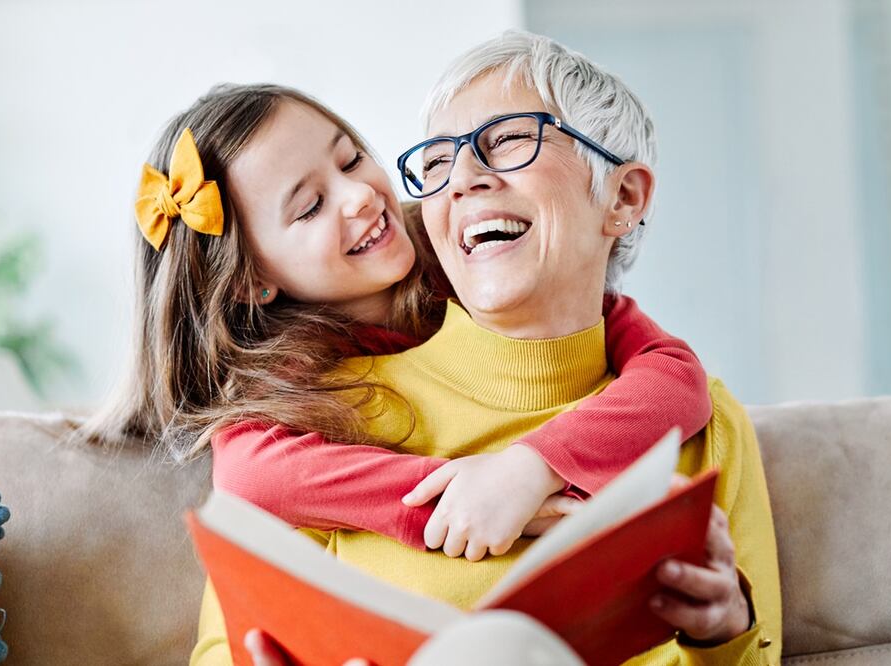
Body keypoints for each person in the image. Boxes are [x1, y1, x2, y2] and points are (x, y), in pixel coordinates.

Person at [190, 30, 781, 665]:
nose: (464, 179)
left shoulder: (703, 421)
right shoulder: (320, 417)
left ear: (624, 197)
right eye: (439, 163)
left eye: (507, 141)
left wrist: (724, 631)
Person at [84, 77, 712, 565]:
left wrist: (530, 467)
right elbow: (251, 472)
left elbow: (676, 377)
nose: (359, 195)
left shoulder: (466, 246)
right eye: (310, 207)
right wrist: (464, 497)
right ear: (253, 280)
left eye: (352, 159)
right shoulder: (292, 373)